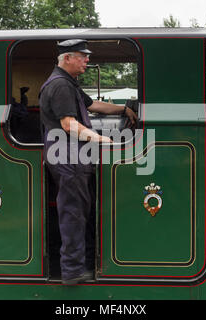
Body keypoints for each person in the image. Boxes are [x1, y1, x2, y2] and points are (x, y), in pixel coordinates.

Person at [39, 39, 137, 285]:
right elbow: (68, 124)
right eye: (82, 56)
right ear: (67, 58)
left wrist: (124, 110)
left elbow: (94, 105)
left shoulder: (67, 83)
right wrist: (103, 140)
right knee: (73, 213)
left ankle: (81, 264)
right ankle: (72, 272)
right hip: (68, 158)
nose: (87, 60)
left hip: (72, 157)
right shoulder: (60, 85)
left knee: (79, 211)